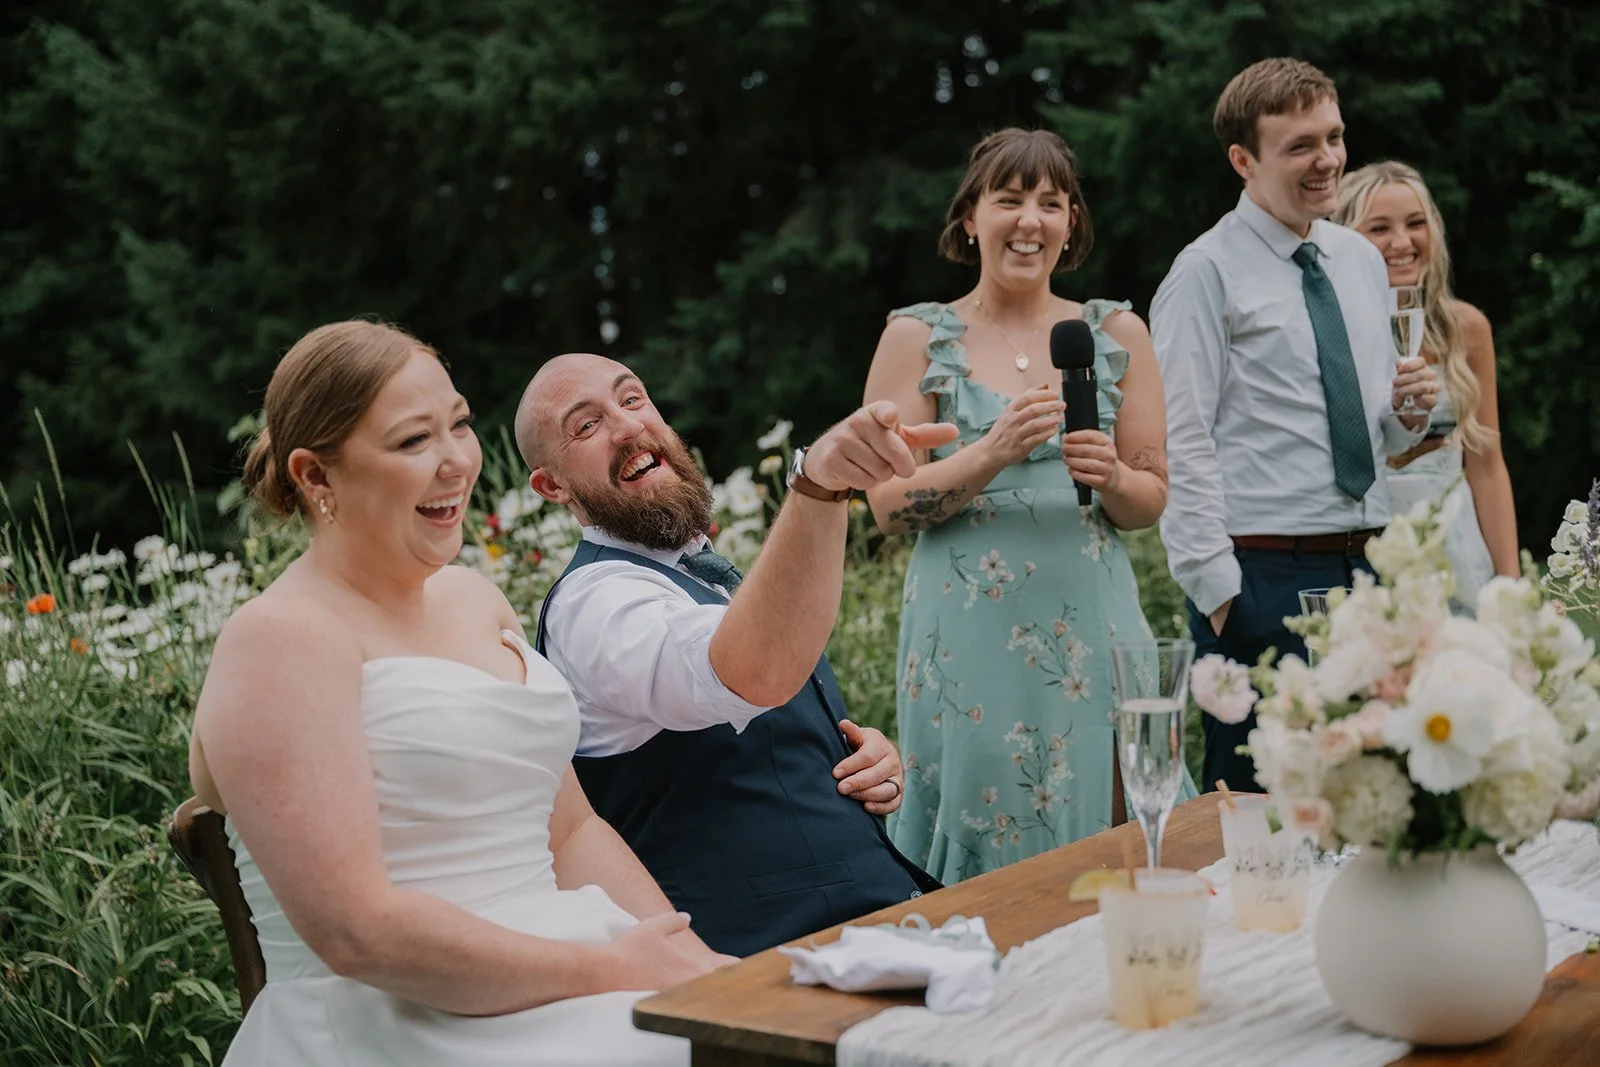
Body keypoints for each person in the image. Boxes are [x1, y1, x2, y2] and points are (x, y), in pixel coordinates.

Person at [190, 321, 724, 1066]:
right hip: (403, 1017)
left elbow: (571, 831)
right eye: (414, 440)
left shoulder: (476, 598)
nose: (457, 462)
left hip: (571, 969)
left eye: (460, 424)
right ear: (316, 477)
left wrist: (692, 966)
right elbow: (355, 933)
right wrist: (611, 970)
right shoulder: (280, 639)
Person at [517, 354, 949, 956]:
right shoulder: (593, 604)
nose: (628, 426)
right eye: (586, 425)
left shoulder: (699, 573)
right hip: (759, 961)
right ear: (552, 486)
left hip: (876, 925)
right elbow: (749, 671)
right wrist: (817, 485)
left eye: (632, 399)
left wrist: (857, 757)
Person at [860, 127, 1181, 884]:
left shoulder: (1114, 331)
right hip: (966, 642)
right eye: (1009, 200)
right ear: (970, 217)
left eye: (1051, 203)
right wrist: (990, 452)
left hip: (1093, 628)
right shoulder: (916, 337)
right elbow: (886, 507)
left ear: (1072, 223)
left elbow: (1149, 501)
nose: (1030, 220)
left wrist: (1113, 476)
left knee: (1119, 837)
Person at [1151, 59, 1439, 794]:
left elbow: (1381, 435)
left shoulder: (1359, 260)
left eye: (1334, 137)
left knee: (1372, 795)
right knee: (1260, 809)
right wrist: (1222, 595)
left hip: (1368, 569)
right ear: (1243, 161)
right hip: (1260, 578)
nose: (1328, 160)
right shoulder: (1204, 272)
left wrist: (1406, 412)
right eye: (1301, 145)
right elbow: (1180, 438)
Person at [1333, 160, 1519, 607]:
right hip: (1364, 545)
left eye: (1415, 223)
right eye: (1380, 228)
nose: (1402, 242)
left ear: (1434, 227)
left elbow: (1487, 465)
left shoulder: (1466, 328)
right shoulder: (1331, 334)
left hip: (1454, 542)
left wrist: (1511, 585)